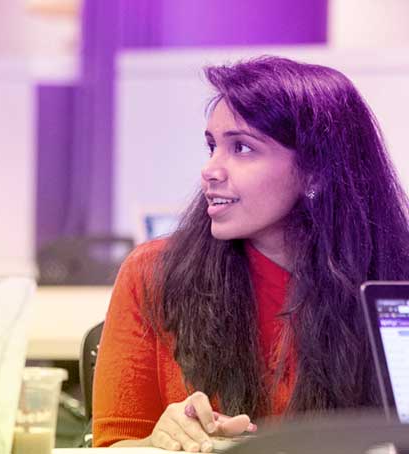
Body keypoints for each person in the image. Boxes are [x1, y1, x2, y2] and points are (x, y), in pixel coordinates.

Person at [92, 56, 409, 451]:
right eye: (212, 146)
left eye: (241, 148)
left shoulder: (394, 278)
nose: (210, 169)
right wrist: (158, 444)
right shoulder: (154, 274)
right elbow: (112, 446)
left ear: (316, 172)